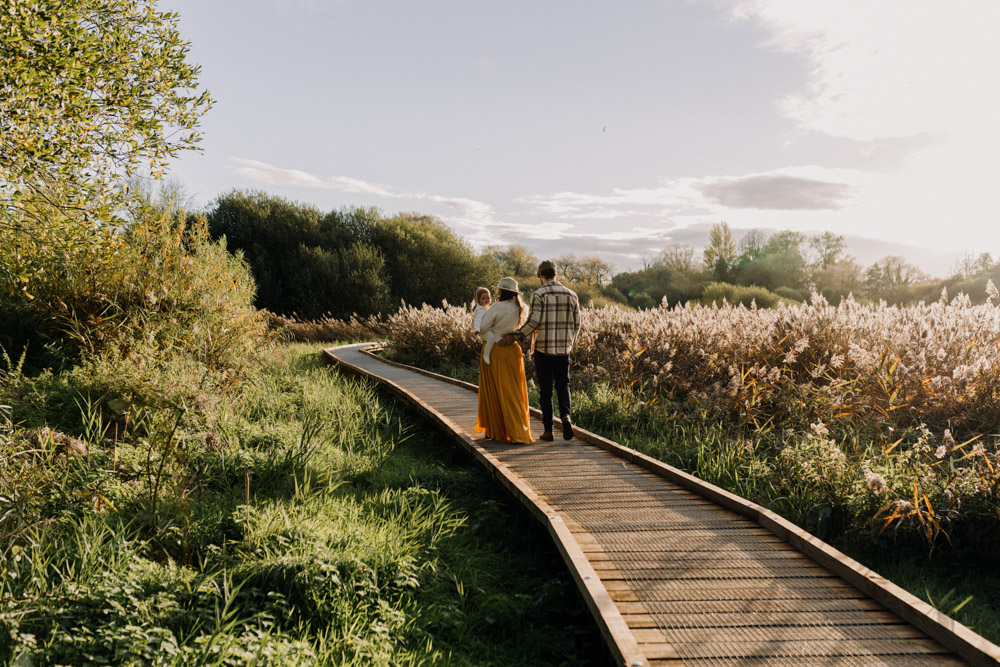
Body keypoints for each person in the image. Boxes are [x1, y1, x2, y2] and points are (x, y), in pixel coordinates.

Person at [498, 260, 581, 441]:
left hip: (543, 348)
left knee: (546, 390)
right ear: (556, 274)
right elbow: (577, 324)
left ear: (541, 276)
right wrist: (569, 343)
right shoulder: (572, 295)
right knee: (563, 386)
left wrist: (515, 336)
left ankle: (548, 431)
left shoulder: (539, 294)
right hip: (563, 350)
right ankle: (566, 417)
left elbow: (533, 322)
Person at [474, 278, 533, 444]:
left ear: (500, 291)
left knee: (496, 390)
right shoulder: (522, 307)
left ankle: (500, 431)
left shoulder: (497, 307)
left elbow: (484, 326)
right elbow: (525, 328)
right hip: (514, 352)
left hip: (497, 351)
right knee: (514, 392)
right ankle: (519, 430)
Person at [472, 286, 495, 364]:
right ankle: (486, 355)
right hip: (483, 331)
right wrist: (476, 330)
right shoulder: (480, 310)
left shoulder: (487, 308)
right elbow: (477, 320)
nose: (486, 300)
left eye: (488, 298)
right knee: (491, 339)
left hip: (489, 329)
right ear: (478, 300)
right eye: (483, 298)